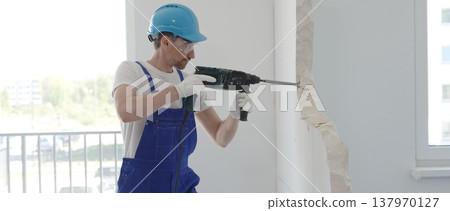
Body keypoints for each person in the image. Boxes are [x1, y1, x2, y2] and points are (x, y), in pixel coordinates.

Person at [112, 3, 251, 193]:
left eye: (193, 46)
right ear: (165, 42)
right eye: (187, 45)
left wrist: (234, 115)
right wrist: (177, 91)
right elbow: (125, 111)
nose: (192, 54)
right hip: (141, 185)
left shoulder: (189, 82)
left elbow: (220, 137)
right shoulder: (132, 71)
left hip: (181, 184)